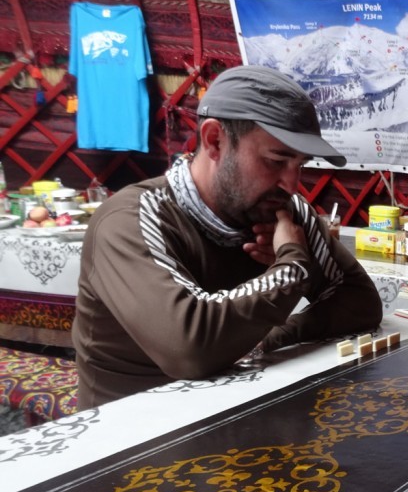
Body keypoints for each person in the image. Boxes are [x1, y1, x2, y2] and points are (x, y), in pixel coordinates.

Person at [73, 65, 383, 408]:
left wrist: (276, 334)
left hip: (244, 411)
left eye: (301, 164)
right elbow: (189, 347)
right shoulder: (130, 219)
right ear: (214, 140)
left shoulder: (283, 209)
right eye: (276, 160)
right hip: (135, 432)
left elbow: (360, 302)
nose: (292, 184)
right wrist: (293, 265)